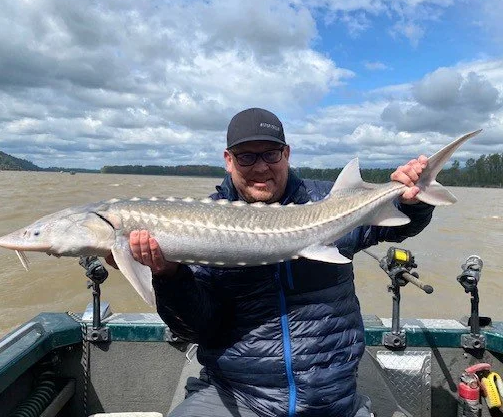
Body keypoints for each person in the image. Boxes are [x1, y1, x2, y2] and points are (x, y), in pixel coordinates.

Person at [106, 108, 434, 417]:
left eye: (271, 154)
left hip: (331, 398)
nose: (261, 167)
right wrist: (168, 274)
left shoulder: (326, 199)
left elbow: (396, 228)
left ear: (287, 154)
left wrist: (413, 202)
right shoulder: (199, 222)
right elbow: (199, 329)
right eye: (247, 156)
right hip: (238, 394)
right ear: (228, 160)